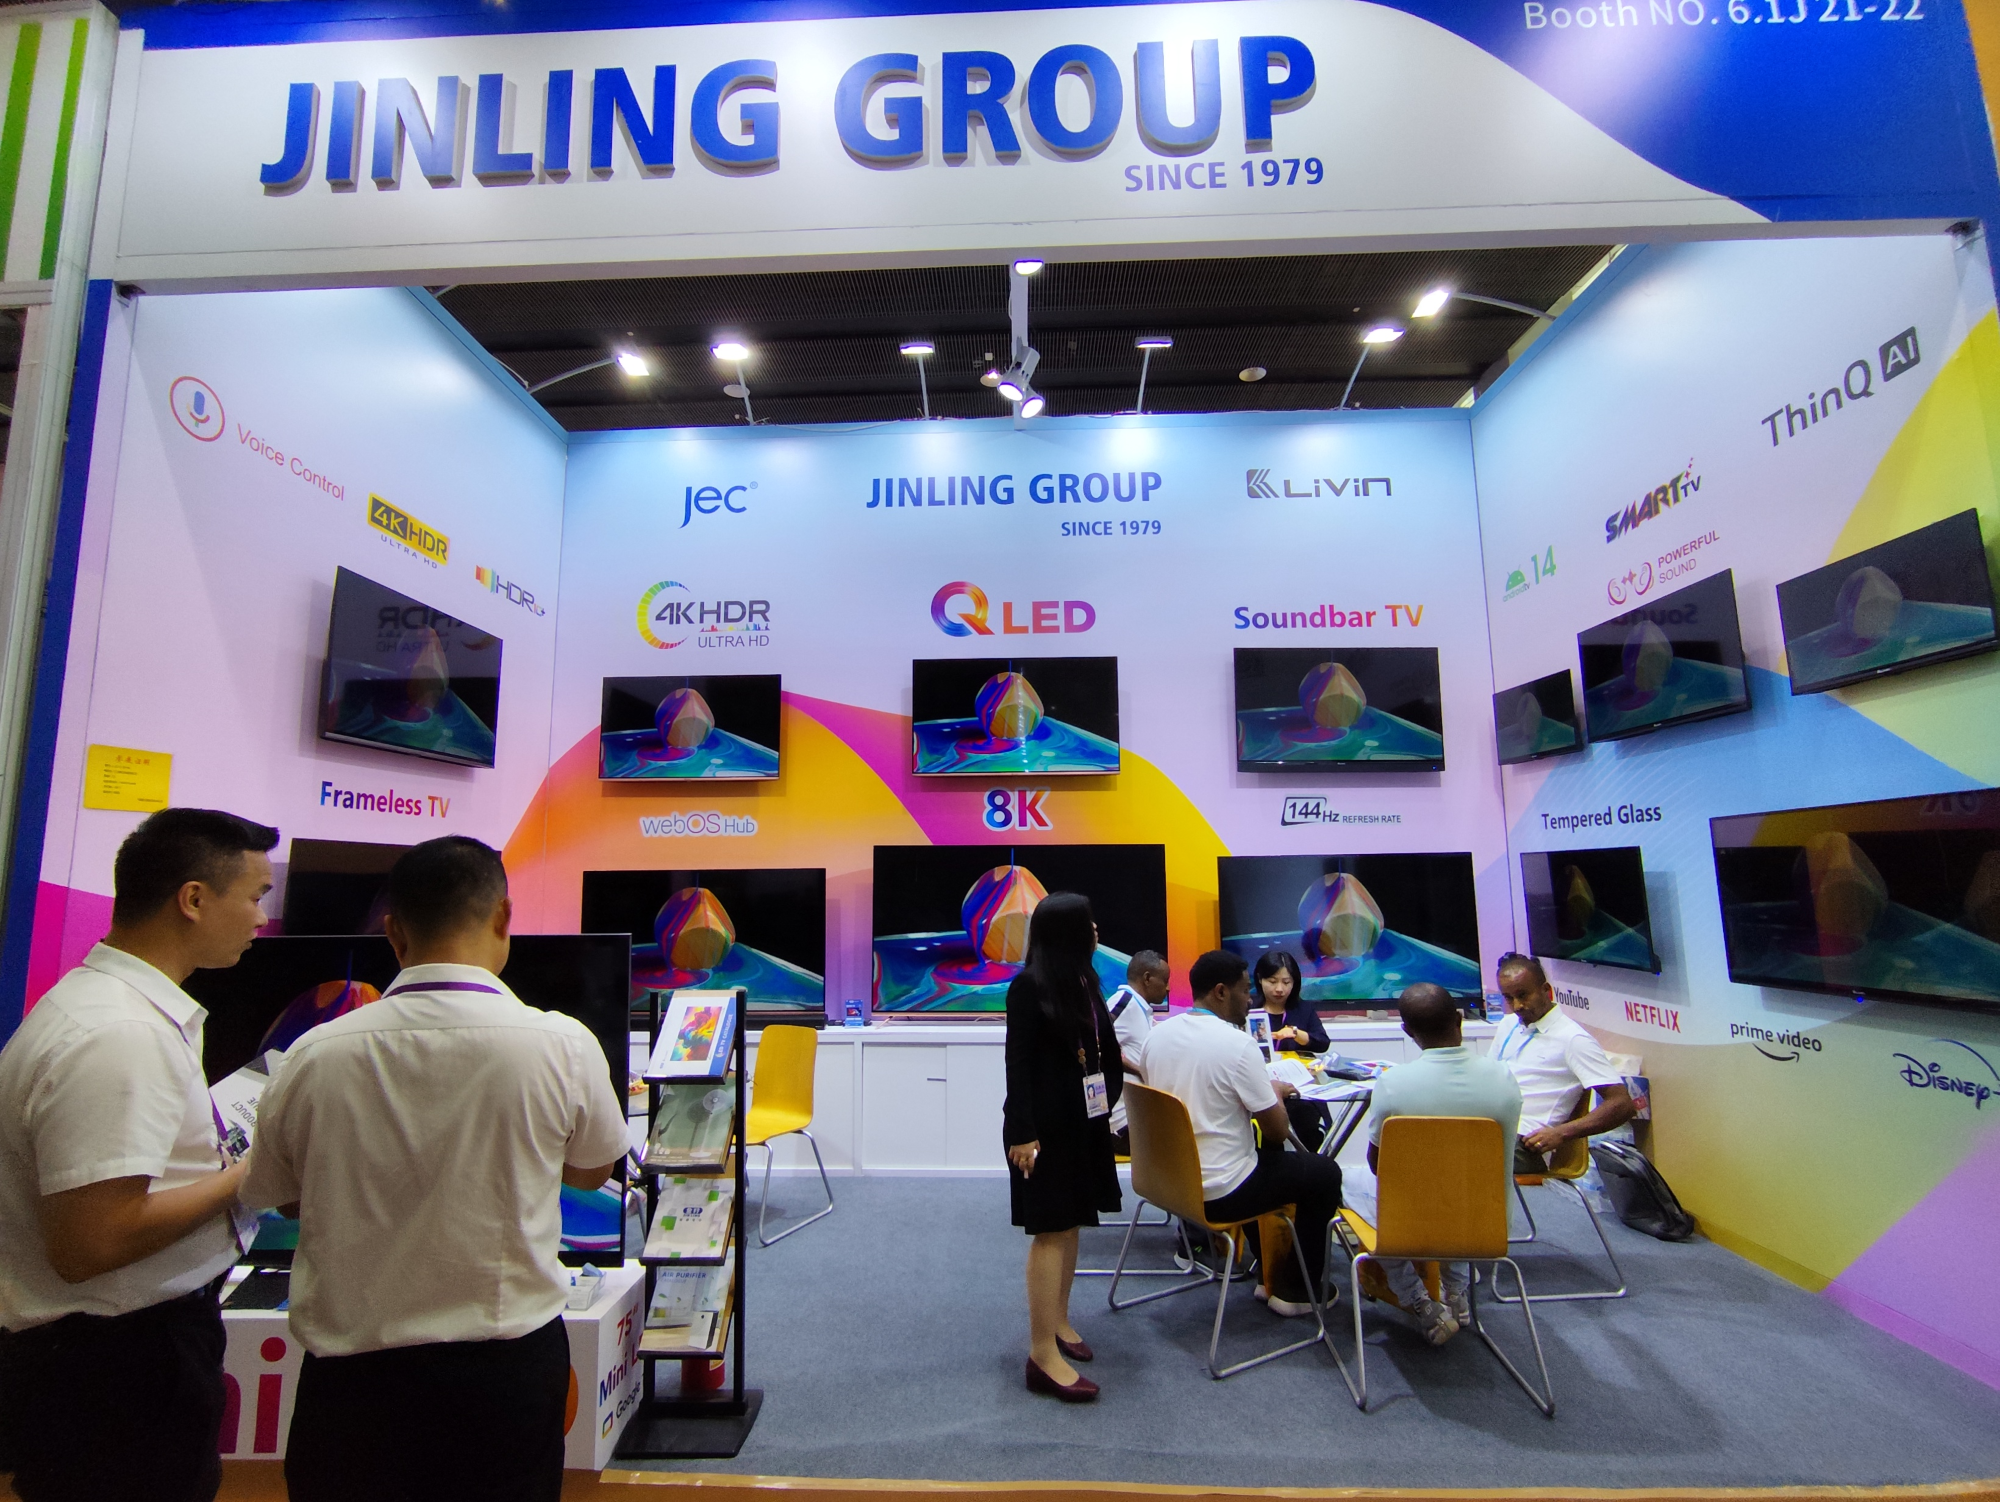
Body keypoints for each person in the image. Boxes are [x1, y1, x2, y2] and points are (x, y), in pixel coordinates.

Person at [242, 836, 628, 1502]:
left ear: (393, 932)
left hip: (351, 1385)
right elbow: (594, 1174)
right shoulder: (562, 1044)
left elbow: (282, 1200)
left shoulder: (311, 1055)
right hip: (504, 1372)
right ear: (503, 916)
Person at [0, 808, 276, 1502]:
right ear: (193, 899)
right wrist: (249, 1174)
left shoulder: (117, 1010)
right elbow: (89, 1242)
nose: (261, 919)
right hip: (115, 1367)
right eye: (255, 897)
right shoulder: (118, 1034)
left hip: (115, 1356)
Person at [1138, 949, 1343, 1318]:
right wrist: (1273, 1093)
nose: (1251, 998)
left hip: (1166, 1182)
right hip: (1220, 1190)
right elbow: (1277, 1132)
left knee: (1262, 1161)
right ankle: (1297, 1290)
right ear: (1220, 991)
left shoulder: (1157, 1035)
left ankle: (1268, 1272)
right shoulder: (1238, 1045)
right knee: (1324, 1173)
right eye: (1246, 989)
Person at [1002, 892, 1123, 1404]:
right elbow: (1017, 1066)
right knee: (1050, 1230)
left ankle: (1059, 1321)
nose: (1096, 931)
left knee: (1072, 1224)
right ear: (1068, 932)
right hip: (1042, 1132)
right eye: (1088, 924)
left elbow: (1099, 1049)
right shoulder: (1028, 987)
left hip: (1082, 1124)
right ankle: (1040, 1355)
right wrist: (1021, 1133)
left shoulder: (1083, 981)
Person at [1359, 983, 1522, 1346]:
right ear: (1459, 1019)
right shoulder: (1503, 1078)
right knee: (1459, 1187)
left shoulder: (1393, 1084)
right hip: (1486, 1226)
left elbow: (1377, 1165)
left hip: (1410, 1229)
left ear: (1407, 1031)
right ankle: (1456, 1293)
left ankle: (1419, 1301)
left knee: (1344, 1183)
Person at [1491, 953, 1635, 1175]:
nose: (1517, 1006)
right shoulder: (1508, 1025)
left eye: (1523, 995)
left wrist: (1561, 1133)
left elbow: (1622, 1104)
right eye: (1508, 998)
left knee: (1456, 1160)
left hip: (1525, 1144)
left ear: (1545, 990)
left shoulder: (1573, 1039)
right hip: (1491, 1129)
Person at [1253, 950, 1330, 1151]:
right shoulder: (1249, 1009)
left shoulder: (1303, 1009)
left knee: (1306, 1119)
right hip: (1261, 1086)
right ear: (1260, 979)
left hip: (1297, 1089)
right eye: (1272, 981)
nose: (1279, 989)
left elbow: (1322, 1042)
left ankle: (1311, 1159)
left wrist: (1296, 1033)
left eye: (1286, 982)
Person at [1105, 949, 1168, 1157]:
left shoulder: (1141, 1010)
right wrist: (1139, 1069)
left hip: (1139, 1118)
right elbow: (1096, 1044)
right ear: (1147, 978)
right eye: (1165, 981)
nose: (1168, 988)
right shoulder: (1124, 1002)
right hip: (1122, 1124)